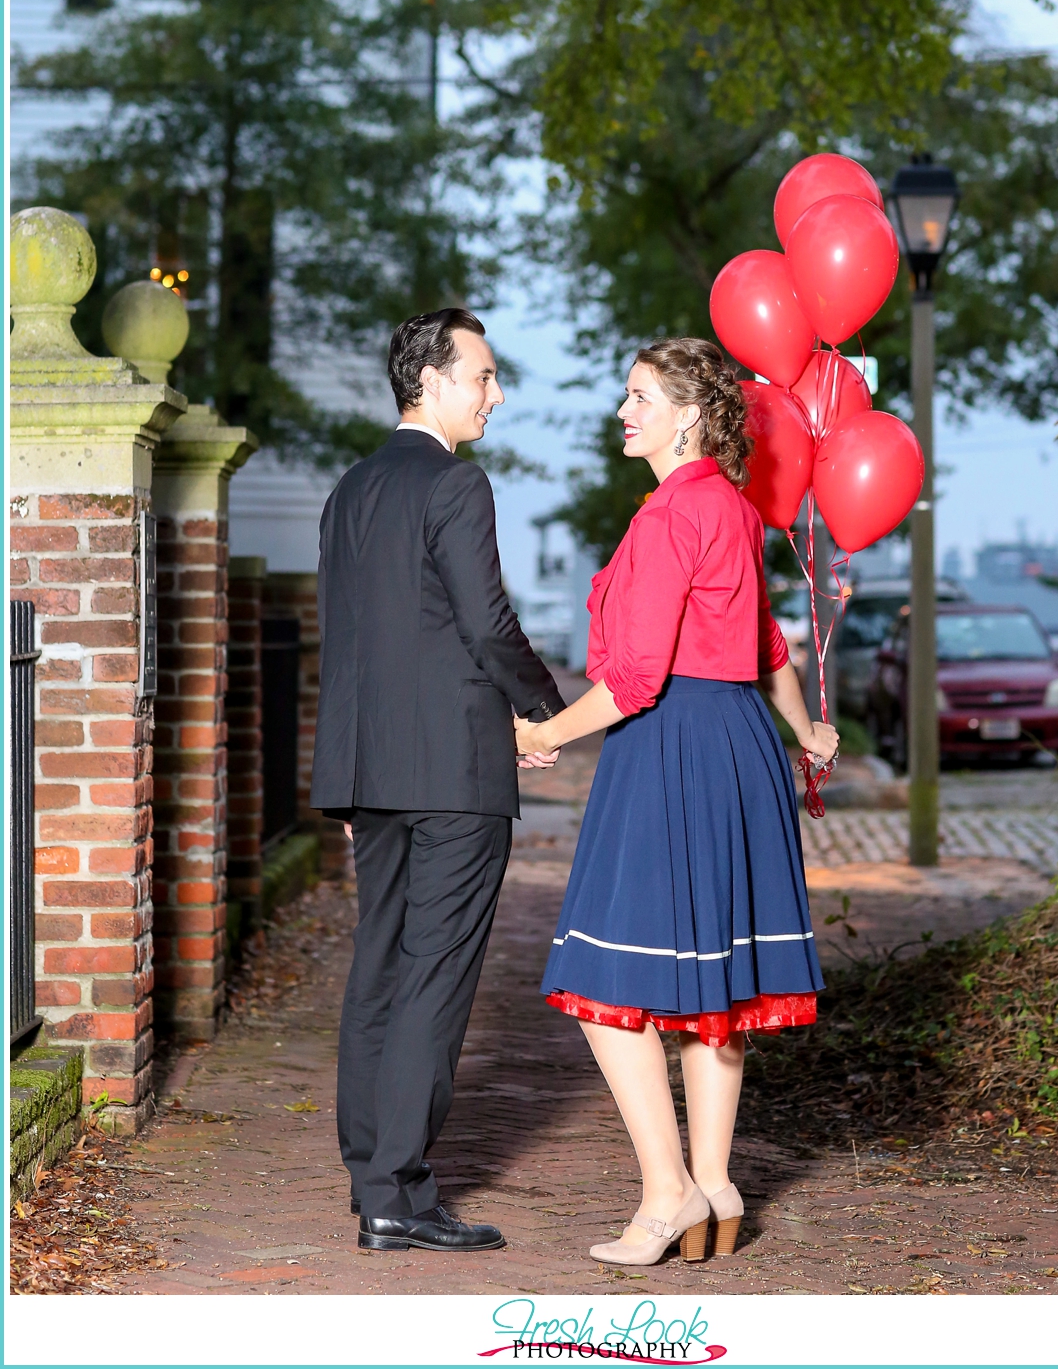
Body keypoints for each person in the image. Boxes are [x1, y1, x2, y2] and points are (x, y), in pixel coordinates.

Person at [514, 338, 838, 1267]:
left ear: (690, 415)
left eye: (641, 395)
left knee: (606, 985)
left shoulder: (666, 517)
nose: (625, 410)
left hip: (670, 751)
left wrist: (539, 735)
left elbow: (631, 683)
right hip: (738, 747)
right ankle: (716, 1183)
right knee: (712, 990)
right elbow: (768, 643)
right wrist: (806, 732)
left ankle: (667, 1193)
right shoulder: (731, 507)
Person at [311, 307, 566, 1254]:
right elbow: (486, 622)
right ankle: (399, 1189)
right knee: (435, 975)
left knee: (379, 966)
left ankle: (373, 1181)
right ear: (431, 381)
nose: (495, 394)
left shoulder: (350, 490)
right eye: (484, 376)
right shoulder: (457, 484)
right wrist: (542, 710)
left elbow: (360, 642)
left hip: (371, 767)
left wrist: (344, 771)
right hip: (454, 771)